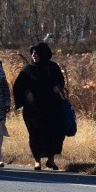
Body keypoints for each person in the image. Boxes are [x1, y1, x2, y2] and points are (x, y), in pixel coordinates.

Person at [13, 42, 67, 171]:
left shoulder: (52, 67)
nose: (34, 55)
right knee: (35, 134)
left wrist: (58, 87)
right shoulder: (28, 69)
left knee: (55, 134)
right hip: (34, 110)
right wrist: (27, 93)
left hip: (52, 108)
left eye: (36, 53)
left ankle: (51, 160)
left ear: (44, 54)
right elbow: (18, 86)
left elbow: (61, 80)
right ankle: (37, 160)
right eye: (32, 53)